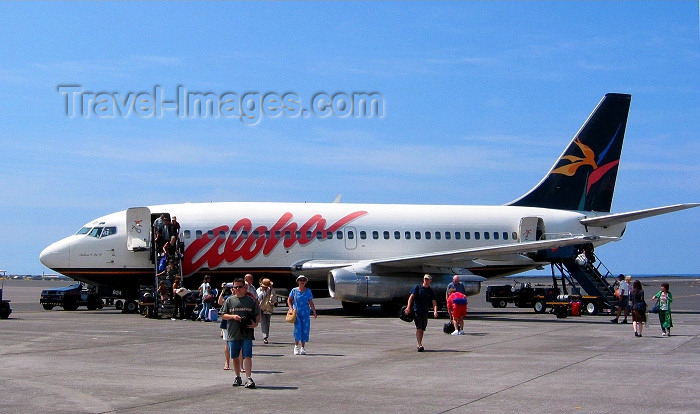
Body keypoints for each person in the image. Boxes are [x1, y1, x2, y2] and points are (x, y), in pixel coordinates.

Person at [220, 278, 261, 388]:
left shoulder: (250, 300)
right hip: (233, 332)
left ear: (244, 288)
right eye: (235, 287)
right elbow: (223, 314)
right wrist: (233, 316)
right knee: (235, 357)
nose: (237, 289)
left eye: (239, 287)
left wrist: (255, 323)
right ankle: (237, 376)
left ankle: (248, 377)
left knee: (247, 355)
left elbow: (258, 313)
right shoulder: (229, 300)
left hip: (247, 331)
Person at [404, 274, 438, 352]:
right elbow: (411, 297)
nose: (426, 280)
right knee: (419, 328)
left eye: (428, 279)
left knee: (422, 328)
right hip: (417, 310)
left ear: (430, 281)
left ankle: (420, 342)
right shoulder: (417, 287)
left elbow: (434, 302)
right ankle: (419, 344)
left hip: (425, 311)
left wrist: (435, 311)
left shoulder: (430, 291)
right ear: (423, 280)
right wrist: (408, 306)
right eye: (425, 279)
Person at [287, 275, 317, 355]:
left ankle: (303, 347)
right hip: (297, 313)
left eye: (304, 280)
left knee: (305, 330)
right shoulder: (294, 291)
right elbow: (289, 299)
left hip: (305, 313)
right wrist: (290, 308)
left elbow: (310, 302)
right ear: (298, 282)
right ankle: (296, 346)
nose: (302, 281)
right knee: (298, 329)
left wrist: (314, 311)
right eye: (301, 280)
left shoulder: (308, 291)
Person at [256, 278, 276, 344]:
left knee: (267, 322)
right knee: (263, 322)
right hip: (261, 308)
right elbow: (257, 299)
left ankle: (266, 335)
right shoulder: (259, 290)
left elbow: (273, 299)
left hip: (268, 308)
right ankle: (265, 337)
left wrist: (271, 290)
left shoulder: (271, 290)